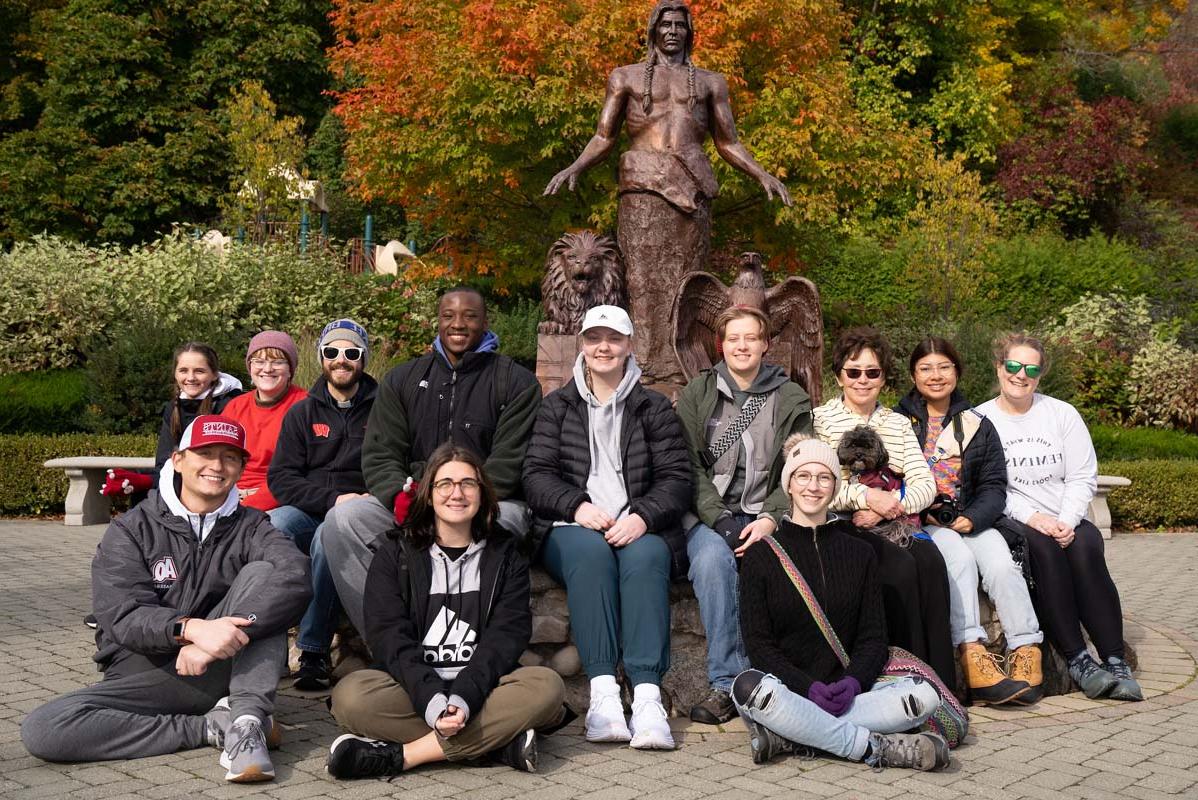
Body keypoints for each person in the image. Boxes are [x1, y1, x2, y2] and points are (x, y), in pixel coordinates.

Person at [21, 416, 311, 782]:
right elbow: (122, 615)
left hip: (221, 663)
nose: (217, 466)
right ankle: (210, 728)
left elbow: (295, 574)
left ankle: (247, 721)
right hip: (148, 673)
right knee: (45, 728)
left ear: (240, 468)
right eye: (205, 453)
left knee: (266, 578)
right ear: (178, 460)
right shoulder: (132, 528)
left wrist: (211, 642)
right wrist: (189, 629)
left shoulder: (252, 524)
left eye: (230, 457)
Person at [543, 0, 791, 382]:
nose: (672, 31)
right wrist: (576, 166)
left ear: (689, 32)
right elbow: (603, 135)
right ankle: (641, 366)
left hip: (691, 189)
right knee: (641, 282)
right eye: (666, 24)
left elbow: (728, 143)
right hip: (642, 186)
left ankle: (679, 368)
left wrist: (762, 174)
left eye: (679, 25)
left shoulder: (711, 82)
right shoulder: (625, 77)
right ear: (653, 30)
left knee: (685, 281)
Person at [325, 443, 569, 779]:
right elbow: (389, 637)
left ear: (482, 493)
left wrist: (465, 697)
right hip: (414, 691)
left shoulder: (504, 555)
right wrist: (432, 701)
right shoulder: (396, 554)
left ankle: (405, 755)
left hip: (484, 690)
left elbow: (506, 636)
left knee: (547, 687)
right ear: (428, 494)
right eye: (445, 484)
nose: (457, 493)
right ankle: (497, 744)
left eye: (468, 483)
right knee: (350, 698)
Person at [321, 287, 542, 638]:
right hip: (416, 501)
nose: (458, 324)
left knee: (513, 521)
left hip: (485, 505)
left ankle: (469, 647)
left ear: (485, 322)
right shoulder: (402, 379)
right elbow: (381, 454)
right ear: (437, 322)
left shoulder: (517, 383)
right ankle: (392, 645)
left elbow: (510, 460)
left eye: (469, 316)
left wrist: (460, 505)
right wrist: (404, 499)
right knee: (343, 521)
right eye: (448, 315)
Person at [523, 305, 693, 750]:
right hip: (572, 526)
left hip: (637, 524)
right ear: (582, 345)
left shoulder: (653, 407)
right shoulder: (557, 406)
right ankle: (603, 696)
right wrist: (576, 506)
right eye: (594, 338)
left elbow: (677, 479)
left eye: (613, 338)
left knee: (649, 557)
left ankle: (648, 698)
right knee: (591, 556)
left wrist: (644, 516)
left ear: (628, 346)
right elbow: (536, 475)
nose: (604, 347)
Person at [733, 435, 951, 771]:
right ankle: (872, 748)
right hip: (792, 693)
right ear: (788, 485)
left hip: (853, 697)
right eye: (802, 476)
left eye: (823, 477)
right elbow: (760, 646)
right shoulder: (762, 556)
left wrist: (852, 682)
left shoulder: (860, 552)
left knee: (925, 695)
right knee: (747, 687)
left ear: (835, 486)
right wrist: (808, 687)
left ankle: (792, 737)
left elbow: (873, 638)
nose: (813, 486)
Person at [977, 333, 1142, 701]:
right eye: (1014, 366)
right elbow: (992, 486)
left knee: (1085, 549)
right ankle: (1078, 660)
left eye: (1031, 368)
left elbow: (1082, 474)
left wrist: (1067, 520)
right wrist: (1035, 519)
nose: (1021, 375)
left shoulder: (1062, 414)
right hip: (1018, 520)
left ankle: (1115, 659)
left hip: (1066, 517)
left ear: (1040, 374)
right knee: (1046, 554)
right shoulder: (982, 419)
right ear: (999, 367)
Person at [675, 306, 812, 724]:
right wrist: (719, 519)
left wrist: (771, 517)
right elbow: (686, 465)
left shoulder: (790, 398)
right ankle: (727, 683)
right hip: (707, 516)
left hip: (768, 515)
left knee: (774, 567)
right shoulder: (698, 393)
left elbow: (800, 466)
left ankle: (777, 681)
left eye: (750, 337)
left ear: (765, 344)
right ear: (722, 344)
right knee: (713, 563)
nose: (741, 345)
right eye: (733, 338)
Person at [896, 337, 1044, 705]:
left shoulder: (978, 424)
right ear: (913, 376)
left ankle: (1026, 649)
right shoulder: (897, 423)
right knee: (958, 562)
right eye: (926, 368)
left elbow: (994, 485)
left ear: (957, 372)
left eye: (944, 367)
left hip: (971, 520)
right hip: (923, 521)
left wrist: (971, 519)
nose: (936, 376)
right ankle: (973, 652)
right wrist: (921, 509)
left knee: (1001, 565)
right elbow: (890, 478)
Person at [813, 327, 955, 686]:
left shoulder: (897, 423)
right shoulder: (821, 420)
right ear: (839, 376)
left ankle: (941, 685)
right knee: (901, 569)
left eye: (872, 372)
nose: (863, 380)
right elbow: (819, 484)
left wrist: (888, 505)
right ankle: (903, 679)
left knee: (933, 566)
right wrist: (865, 497)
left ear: (883, 377)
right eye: (853, 371)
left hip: (894, 518)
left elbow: (924, 483)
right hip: (843, 522)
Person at [267, 319, 377, 691]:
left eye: (351, 352)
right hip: (309, 509)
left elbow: (397, 464)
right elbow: (281, 478)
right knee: (272, 526)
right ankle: (265, 647)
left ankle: (313, 652)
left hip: (357, 514)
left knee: (330, 536)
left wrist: (357, 502)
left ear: (364, 359)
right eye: (332, 352)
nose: (341, 360)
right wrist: (330, 499)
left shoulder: (385, 410)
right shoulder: (302, 413)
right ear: (322, 358)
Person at [222, 331, 307, 512]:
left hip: (280, 499)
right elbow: (220, 459)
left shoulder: (306, 406)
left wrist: (247, 507)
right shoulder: (235, 407)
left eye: (277, 362)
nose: (267, 369)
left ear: (290, 369)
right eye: (259, 361)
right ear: (250, 367)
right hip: (230, 495)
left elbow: (298, 473)